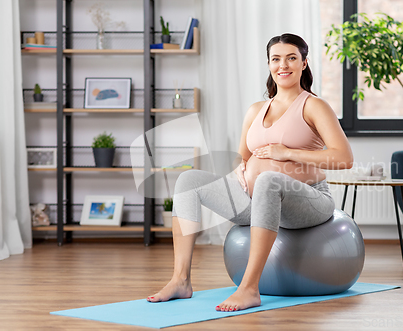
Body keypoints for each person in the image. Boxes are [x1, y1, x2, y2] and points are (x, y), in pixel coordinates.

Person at [147, 33, 353, 312]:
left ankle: (249, 288)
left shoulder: (314, 105)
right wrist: (238, 174)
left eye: (291, 58)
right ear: (268, 64)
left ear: (304, 63)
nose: (284, 65)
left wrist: (287, 152)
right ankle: (180, 280)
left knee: (269, 180)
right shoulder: (256, 110)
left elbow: (344, 159)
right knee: (188, 180)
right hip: (256, 202)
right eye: (276, 59)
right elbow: (242, 158)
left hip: (308, 202)